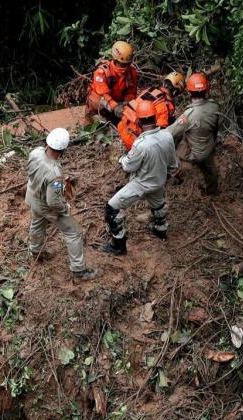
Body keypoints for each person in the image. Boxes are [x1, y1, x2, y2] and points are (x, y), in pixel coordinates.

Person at [101, 100, 179, 255]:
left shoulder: (141, 144)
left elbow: (128, 166)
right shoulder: (167, 136)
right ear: (155, 118)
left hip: (141, 184)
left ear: (139, 120)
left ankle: (119, 245)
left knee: (111, 209)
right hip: (159, 181)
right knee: (158, 206)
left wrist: (122, 159)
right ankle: (160, 230)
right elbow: (173, 165)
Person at [25, 128, 98, 280]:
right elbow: (53, 202)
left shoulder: (36, 152)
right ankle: (79, 269)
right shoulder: (55, 173)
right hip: (46, 206)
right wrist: (65, 208)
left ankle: (36, 251)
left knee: (37, 223)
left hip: (32, 197)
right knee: (74, 232)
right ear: (63, 149)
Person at [167, 72, 222, 195]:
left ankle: (176, 176)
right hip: (208, 147)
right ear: (206, 90)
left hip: (194, 154)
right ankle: (213, 191)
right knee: (209, 168)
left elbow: (170, 133)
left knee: (176, 146)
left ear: (189, 92)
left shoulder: (189, 115)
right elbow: (215, 128)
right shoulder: (214, 106)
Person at [117, 73, 183, 150]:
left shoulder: (149, 90)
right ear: (175, 92)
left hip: (122, 126)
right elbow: (159, 133)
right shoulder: (164, 105)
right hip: (134, 140)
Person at [86, 41, 139, 124]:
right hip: (101, 103)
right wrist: (115, 107)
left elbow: (131, 92)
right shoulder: (102, 72)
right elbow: (103, 95)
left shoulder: (131, 72)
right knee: (100, 100)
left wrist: (126, 104)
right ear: (116, 60)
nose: (125, 67)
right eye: (123, 64)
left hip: (119, 101)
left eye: (128, 64)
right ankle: (99, 117)